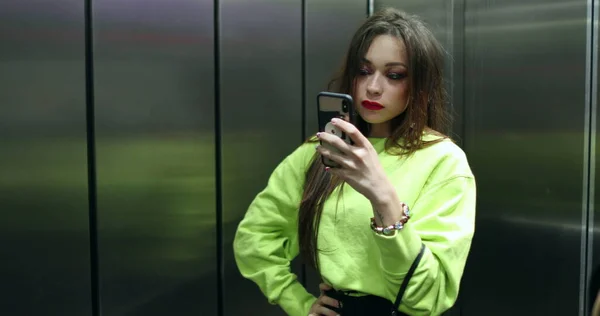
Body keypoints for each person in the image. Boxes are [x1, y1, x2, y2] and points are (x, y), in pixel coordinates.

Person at [233, 7, 476, 316]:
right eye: (364, 70)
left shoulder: (444, 162)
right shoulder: (320, 151)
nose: (374, 87)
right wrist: (297, 302)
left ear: (419, 85)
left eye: (394, 75)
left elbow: (426, 298)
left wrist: (383, 198)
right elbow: (254, 238)